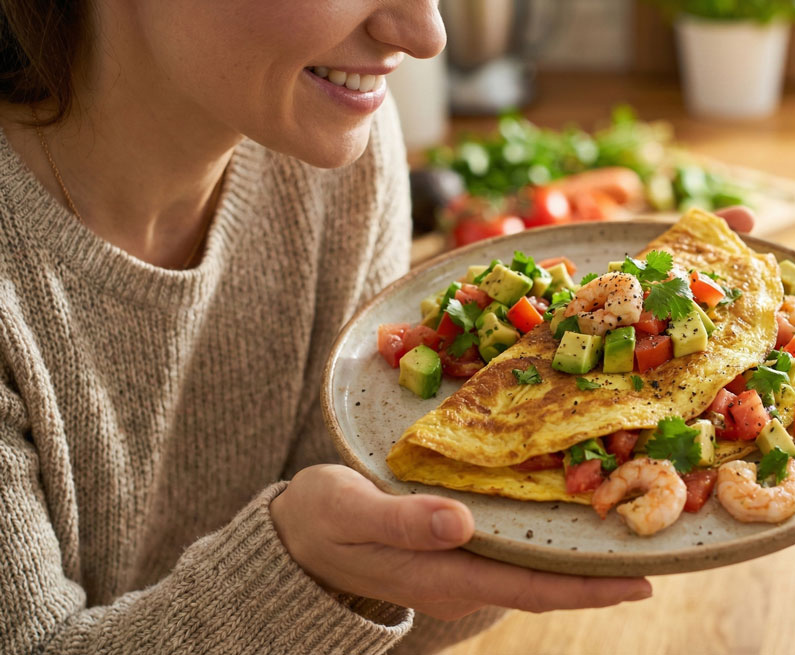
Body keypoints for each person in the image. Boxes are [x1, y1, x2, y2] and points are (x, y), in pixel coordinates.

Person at [0, 1, 755, 653]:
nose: (425, 33)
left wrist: (401, 557)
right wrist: (302, 573)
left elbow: (371, 604)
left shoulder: (332, 150)